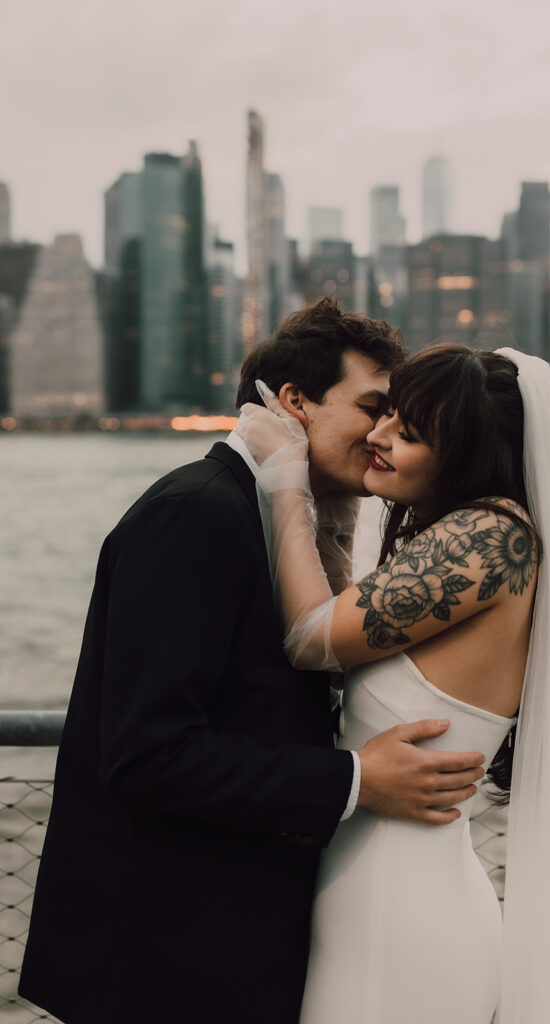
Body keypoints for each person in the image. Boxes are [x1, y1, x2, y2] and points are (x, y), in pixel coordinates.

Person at [18, 300, 486, 1024]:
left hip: (230, 940)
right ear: (294, 402)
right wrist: (359, 779)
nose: (385, 433)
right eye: (372, 407)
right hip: (163, 959)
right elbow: (149, 753)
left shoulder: (274, 516)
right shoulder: (196, 513)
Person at [237, 342, 550, 1024]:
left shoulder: (486, 539)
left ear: (464, 452)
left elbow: (312, 639)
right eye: (386, 417)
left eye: (408, 433)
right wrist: (335, 511)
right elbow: (349, 636)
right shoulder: (476, 534)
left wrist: (286, 481)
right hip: (388, 900)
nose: (377, 436)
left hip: (395, 921)